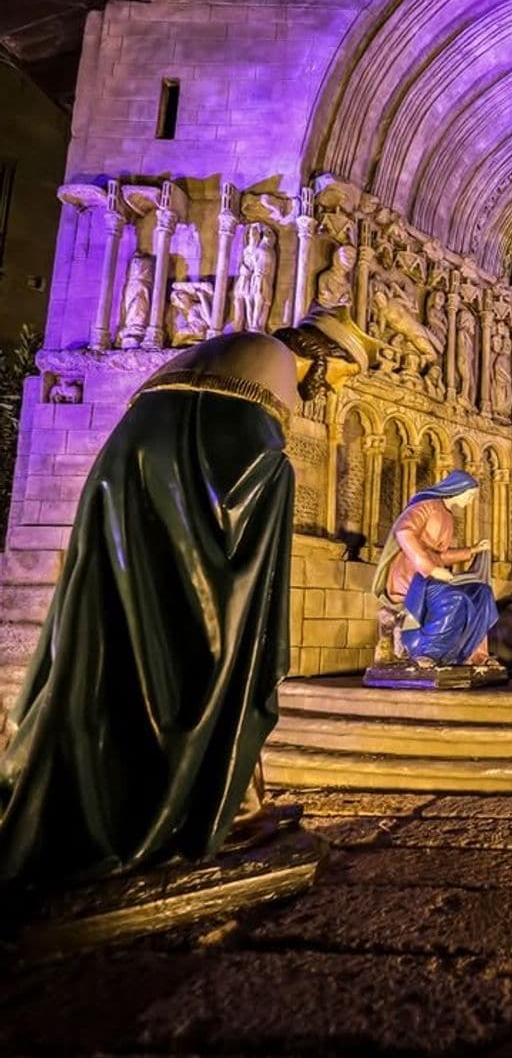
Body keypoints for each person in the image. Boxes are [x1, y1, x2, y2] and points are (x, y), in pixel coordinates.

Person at [0, 332, 301, 888]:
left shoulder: (216, 363)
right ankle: (195, 804)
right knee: (219, 650)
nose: (321, 391)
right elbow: (243, 485)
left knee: (120, 631)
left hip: (127, 476)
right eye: (330, 379)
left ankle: (236, 799)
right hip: (202, 507)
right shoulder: (268, 378)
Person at [372, 471, 500, 667]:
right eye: (470, 494)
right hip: (412, 574)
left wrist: (472, 550)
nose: (472, 499)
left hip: (432, 575)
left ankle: (475, 655)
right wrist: (430, 568)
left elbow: (439, 554)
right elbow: (404, 531)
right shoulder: (425, 506)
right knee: (454, 598)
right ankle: (427, 653)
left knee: (482, 593)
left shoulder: (447, 516)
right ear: (458, 489)